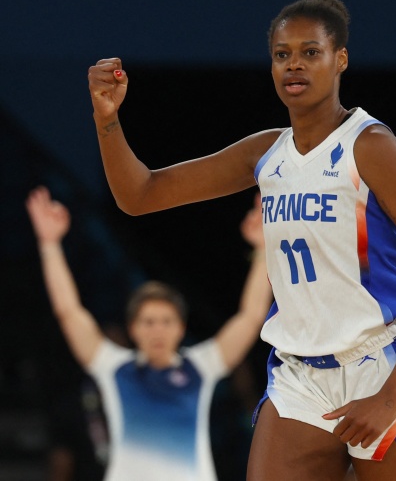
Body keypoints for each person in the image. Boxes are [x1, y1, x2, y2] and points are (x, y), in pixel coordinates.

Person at [87, 0, 396, 481]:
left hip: (386, 364)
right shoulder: (266, 154)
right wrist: (107, 120)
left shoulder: (372, 147)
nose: (294, 64)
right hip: (301, 375)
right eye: (282, 54)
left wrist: (391, 394)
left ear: (340, 60)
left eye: (311, 52)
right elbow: (140, 194)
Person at [25, 185, 274, 481]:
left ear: (181, 328)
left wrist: (263, 249)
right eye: (148, 322)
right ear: (133, 329)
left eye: (166, 321)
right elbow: (68, 311)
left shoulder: (200, 367)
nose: (158, 330)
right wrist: (50, 244)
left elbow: (251, 317)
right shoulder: (113, 368)